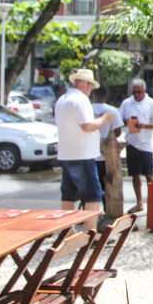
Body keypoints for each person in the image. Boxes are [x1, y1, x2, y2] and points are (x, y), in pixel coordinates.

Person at [54, 68, 113, 233]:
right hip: (82, 154)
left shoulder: (62, 100)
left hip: (66, 153)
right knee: (92, 194)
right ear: (86, 84)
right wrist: (103, 120)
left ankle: (67, 230)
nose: (91, 90)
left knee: (68, 193)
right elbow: (87, 126)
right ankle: (92, 232)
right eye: (91, 86)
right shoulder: (81, 101)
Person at [119, 78, 153, 214]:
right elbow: (120, 120)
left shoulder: (152, 104)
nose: (137, 95)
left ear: (145, 91)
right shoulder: (126, 103)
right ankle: (139, 203)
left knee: (149, 175)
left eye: (139, 92)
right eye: (134, 92)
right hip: (132, 143)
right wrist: (128, 122)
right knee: (135, 175)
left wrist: (143, 125)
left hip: (146, 145)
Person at [91, 84, 124, 209]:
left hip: (90, 154)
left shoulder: (88, 109)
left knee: (91, 185)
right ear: (106, 96)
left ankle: (90, 210)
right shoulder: (112, 110)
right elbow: (118, 131)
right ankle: (107, 208)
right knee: (107, 184)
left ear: (94, 95)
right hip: (106, 156)